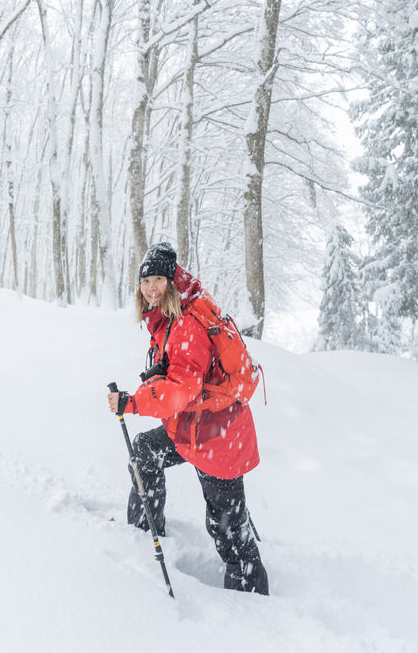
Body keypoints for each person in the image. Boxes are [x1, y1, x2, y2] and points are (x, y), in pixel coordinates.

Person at [108, 242, 269, 594]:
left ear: (172, 282)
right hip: (193, 431)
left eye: (158, 279)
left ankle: (254, 600)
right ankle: (143, 531)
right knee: (145, 452)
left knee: (228, 529)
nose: (150, 288)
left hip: (218, 438)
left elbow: (181, 390)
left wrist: (133, 402)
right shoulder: (170, 316)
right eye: (145, 280)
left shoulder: (186, 324)